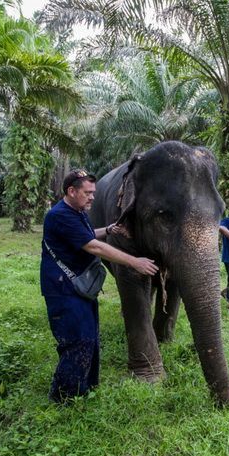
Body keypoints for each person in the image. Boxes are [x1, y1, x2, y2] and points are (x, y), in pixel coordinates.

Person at [40, 169, 158, 403]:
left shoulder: (77, 211)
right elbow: (94, 246)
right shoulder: (60, 215)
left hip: (81, 287)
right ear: (71, 191)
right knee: (77, 339)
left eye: (94, 193)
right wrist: (135, 261)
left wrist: (109, 229)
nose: (93, 197)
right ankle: (64, 397)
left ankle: (85, 388)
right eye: (87, 193)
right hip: (64, 289)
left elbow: (86, 234)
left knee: (91, 337)